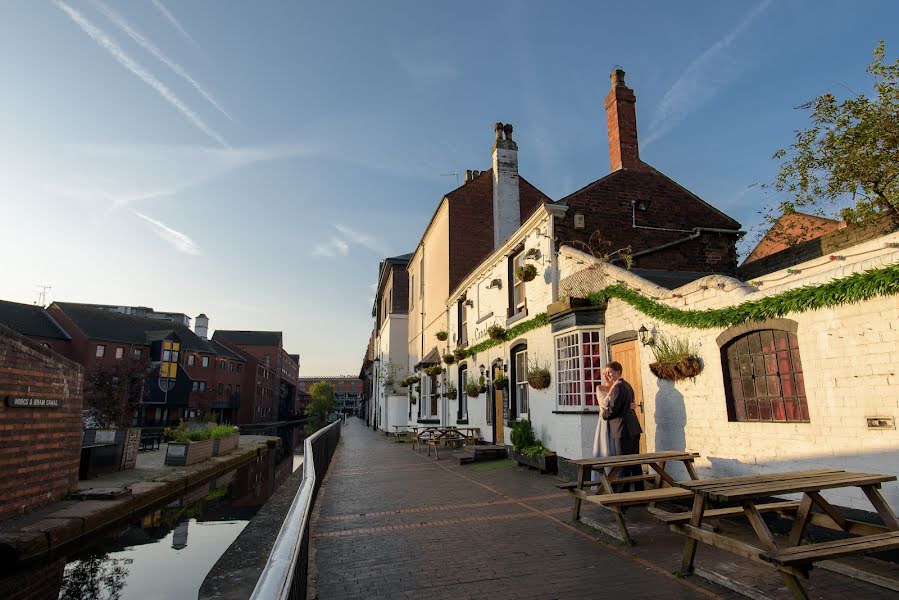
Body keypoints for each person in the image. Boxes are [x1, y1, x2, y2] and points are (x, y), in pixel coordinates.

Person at [600, 361, 643, 491]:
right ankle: (640, 491)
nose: (608, 375)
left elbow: (613, 409)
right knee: (635, 462)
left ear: (618, 372)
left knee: (623, 463)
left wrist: (604, 414)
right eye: (606, 373)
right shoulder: (627, 385)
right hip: (633, 428)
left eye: (610, 372)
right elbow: (628, 405)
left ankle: (624, 495)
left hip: (622, 429)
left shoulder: (618, 387)